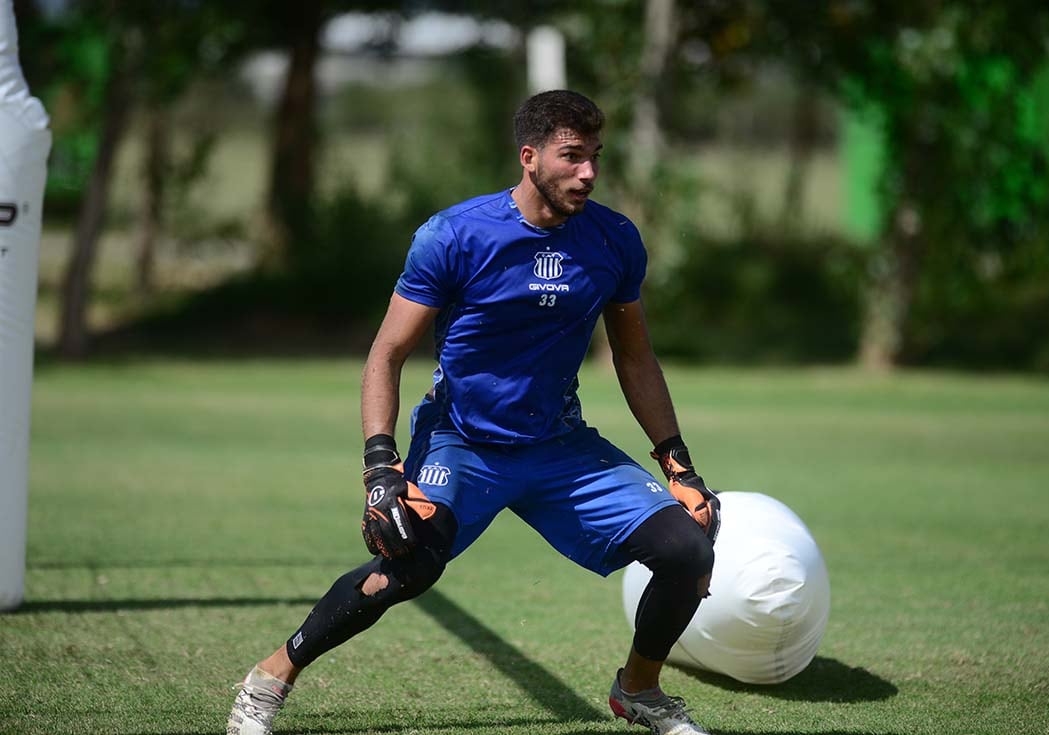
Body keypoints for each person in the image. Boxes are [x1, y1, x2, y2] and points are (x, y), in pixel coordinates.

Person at [227, 90, 721, 735]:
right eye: (571, 157)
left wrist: (677, 464)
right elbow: (387, 353)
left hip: (559, 446)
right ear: (529, 156)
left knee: (687, 550)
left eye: (595, 157)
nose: (589, 173)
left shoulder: (615, 239)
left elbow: (635, 359)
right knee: (408, 564)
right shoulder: (454, 235)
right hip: (461, 441)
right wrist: (381, 467)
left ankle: (639, 691)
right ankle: (271, 677)